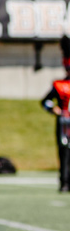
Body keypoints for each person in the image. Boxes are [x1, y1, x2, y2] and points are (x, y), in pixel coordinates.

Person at [40, 38, 70, 192]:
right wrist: (54, 110)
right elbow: (45, 101)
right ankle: (64, 182)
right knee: (64, 152)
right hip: (64, 123)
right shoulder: (60, 85)